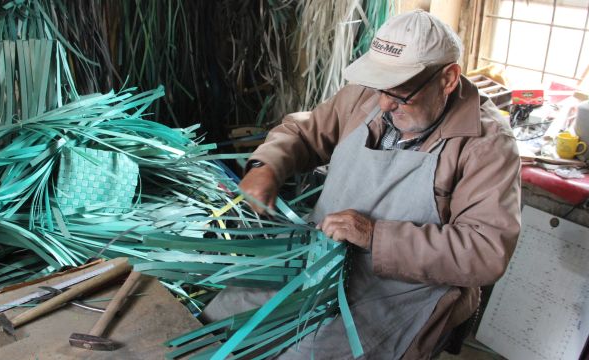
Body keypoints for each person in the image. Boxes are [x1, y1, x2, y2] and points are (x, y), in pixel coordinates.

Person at [204, 9, 521, 359]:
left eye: (400, 94)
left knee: (306, 353)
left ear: (447, 79)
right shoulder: (367, 97)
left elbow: (485, 251)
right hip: (319, 260)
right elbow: (303, 132)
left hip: (401, 291)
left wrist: (374, 235)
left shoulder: (487, 144)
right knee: (222, 320)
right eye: (380, 88)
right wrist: (267, 166)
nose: (384, 104)